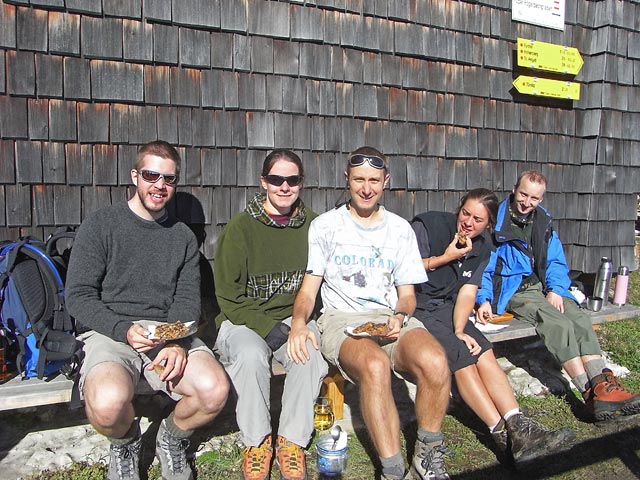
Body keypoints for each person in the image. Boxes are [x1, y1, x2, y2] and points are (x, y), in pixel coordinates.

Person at [66, 141, 230, 480]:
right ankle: (126, 443)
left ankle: (171, 438)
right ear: (135, 176)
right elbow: (79, 296)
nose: (159, 185)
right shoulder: (101, 225)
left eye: (168, 179)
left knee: (214, 390)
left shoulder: (183, 237)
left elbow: (187, 301)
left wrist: (177, 342)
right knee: (107, 403)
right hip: (110, 332)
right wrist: (123, 328)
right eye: (151, 175)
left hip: (165, 333)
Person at [289, 147, 452, 480]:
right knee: (375, 366)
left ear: (385, 181)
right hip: (340, 319)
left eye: (374, 180)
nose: (366, 188)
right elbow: (308, 290)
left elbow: (407, 295)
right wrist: (297, 324)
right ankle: (394, 470)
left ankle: (427, 451)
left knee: (435, 361)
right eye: (359, 179)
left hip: (389, 317)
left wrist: (401, 316)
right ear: (346, 180)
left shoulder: (400, 229)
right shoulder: (325, 227)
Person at [410, 189, 575, 464]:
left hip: (448, 306)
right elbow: (405, 271)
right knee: (461, 358)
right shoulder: (428, 226)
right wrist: (446, 257)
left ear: (488, 224)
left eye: (477, 219)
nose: (468, 223)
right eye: (465, 213)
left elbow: (468, 290)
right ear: (458, 209)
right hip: (417, 305)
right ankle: (502, 435)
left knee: (484, 351)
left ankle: (518, 424)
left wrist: (461, 328)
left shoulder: (483, 245)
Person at [476, 170, 640, 422]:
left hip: (542, 286)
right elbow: (484, 266)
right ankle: (590, 394)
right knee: (557, 323)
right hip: (513, 289)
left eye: (534, 198)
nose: (527, 203)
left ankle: (604, 385)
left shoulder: (542, 220)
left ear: (541, 199)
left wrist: (555, 290)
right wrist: (483, 298)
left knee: (579, 318)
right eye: (523, 194)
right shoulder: (496, 221)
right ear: (513, 189)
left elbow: (554, 261)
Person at [213, 150, 328, 480]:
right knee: (250, 355)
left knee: (308, 350)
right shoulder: (240, 229)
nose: (284, 187)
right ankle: (257, 442)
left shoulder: (314, 226)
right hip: (242, 319)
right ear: (264, 182)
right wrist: (270, 329)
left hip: (295, 316)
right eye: (276, 179)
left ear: (301, 184)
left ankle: (291, 442)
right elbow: (228, 297)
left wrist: (299, 326)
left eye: (292, 180)